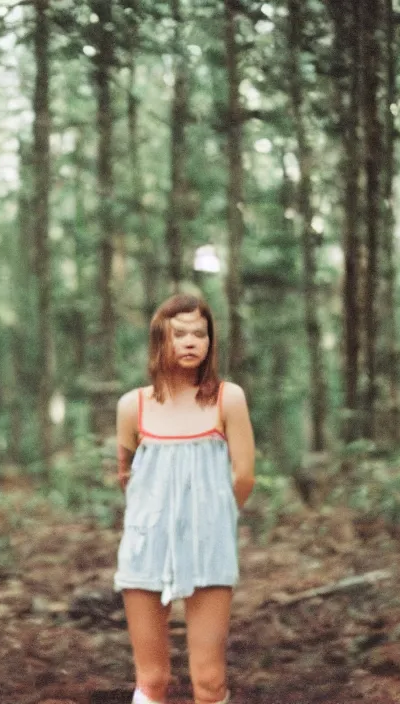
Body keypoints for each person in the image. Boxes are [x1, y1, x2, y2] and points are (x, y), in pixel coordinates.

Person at [113, 293, 256, 704]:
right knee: (152, 679)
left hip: (209, 545)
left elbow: (244, 475)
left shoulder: (228, 398)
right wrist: (156, 518)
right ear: (160, 339)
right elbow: (128, 475)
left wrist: (210, 517)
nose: (191, 342)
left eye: (200, 333)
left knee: (209, 680)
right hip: (145, 545)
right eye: (179, 334)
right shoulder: (132, 406)